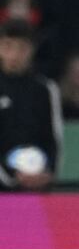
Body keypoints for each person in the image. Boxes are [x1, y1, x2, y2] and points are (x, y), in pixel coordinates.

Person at [0, 19, 62, 191]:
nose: (14, 55)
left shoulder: (45, 89)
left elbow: (54, 138)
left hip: (37, 184)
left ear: (31, 50)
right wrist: (11, 177)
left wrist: (48, 173)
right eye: (7, 46)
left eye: (21, 48)